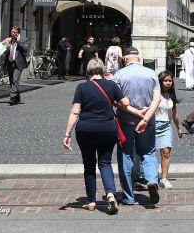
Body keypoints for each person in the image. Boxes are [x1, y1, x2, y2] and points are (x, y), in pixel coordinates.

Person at [62, 58, 147, 213]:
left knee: (89, 165)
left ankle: (91, 201)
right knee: (105, 162)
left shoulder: (82, 87)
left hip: (86, 129)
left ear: (88, 72)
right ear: (103, 71)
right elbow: (126, 102)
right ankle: (110, 194)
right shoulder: (111, 85)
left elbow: (75, 112)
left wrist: (67, 134)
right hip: (108, 129)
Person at [113, 47, 162, 206]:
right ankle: (152, 180)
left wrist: (135, 112)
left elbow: (116, 101)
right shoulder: (151, 74)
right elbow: (157, 100)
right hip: (147, 122)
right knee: (148, 152)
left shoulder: (119, 75)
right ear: (138, 58)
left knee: (125, 155)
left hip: (125, 122)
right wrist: (145, 118)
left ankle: (128, 196)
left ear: (125, 59)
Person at [154, 71, 184, 189]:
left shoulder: (171, 96)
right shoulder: (155, 94)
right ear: (160, 82)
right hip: (153, 125)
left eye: (170, 81)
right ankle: (151, 176)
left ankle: (164, 178)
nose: (168, 83)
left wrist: (179, 127)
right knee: (151, 153)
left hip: (166, 126)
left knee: (166, 152)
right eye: (165, 81)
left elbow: (174, 114)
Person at [1, 26, 30, 106]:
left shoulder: (24, 40)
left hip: (18, 63)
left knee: (15, 80)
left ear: (18, 33)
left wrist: (19, 41)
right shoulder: (9, 40)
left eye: (15, 32)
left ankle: (12, 97)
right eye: (12, 32)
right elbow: (4, 52)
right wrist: (4, 45)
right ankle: (17, 98)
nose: (13, 33)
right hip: (10, 63)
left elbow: (26, 49)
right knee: (11, 81)